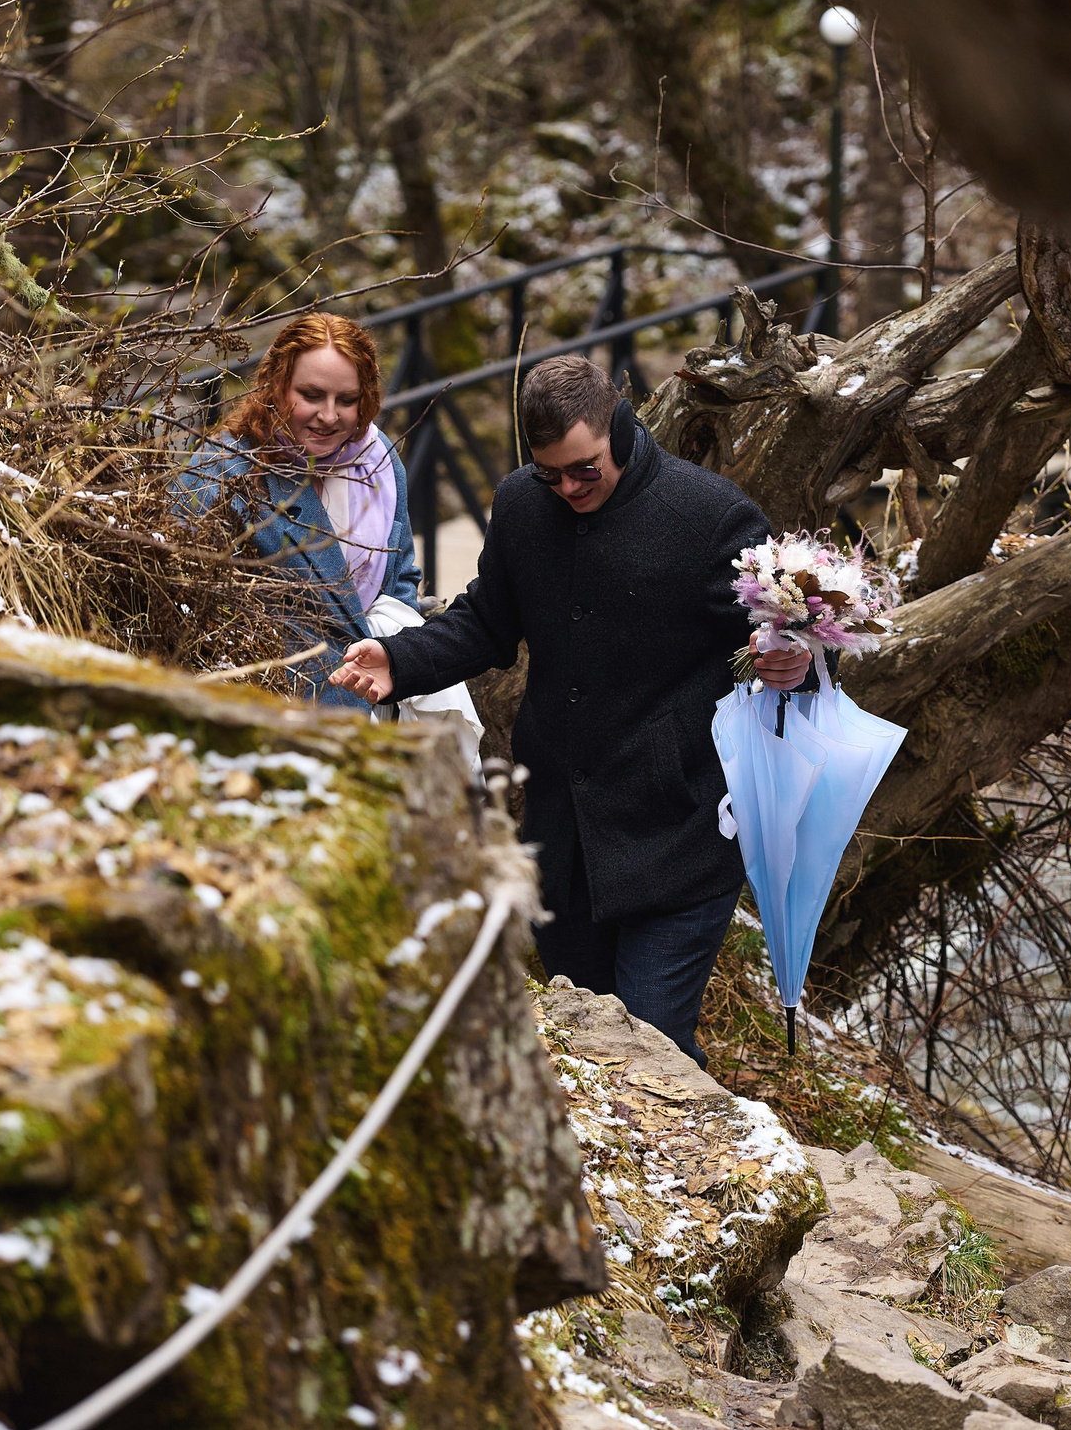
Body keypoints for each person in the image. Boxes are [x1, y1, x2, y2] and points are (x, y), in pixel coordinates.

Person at [331, 355, 809, 1064]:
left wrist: (798, 662)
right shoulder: (523, 505)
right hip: (562, 839)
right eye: (550, 473)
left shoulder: (708, 515)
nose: (569, 488)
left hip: (678, 836)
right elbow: (486, 623)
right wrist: (399, 662)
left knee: (652, 1049)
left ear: (620, 428)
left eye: (585, 469)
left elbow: (794, 631)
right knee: (586, 1048)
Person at [174, 313, 422, 710]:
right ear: (276, 385)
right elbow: (182, 602)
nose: (329, 416)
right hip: (277, 710)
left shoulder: (379, 463)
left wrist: (398, 653)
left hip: (380, 701)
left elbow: (402, 575)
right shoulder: (220, 472)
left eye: (347, 400)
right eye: (311, 395)